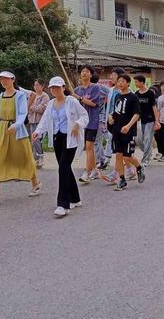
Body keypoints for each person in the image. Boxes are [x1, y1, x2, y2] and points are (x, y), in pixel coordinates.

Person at [0, 71, 41, 208]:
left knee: (25, 158)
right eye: (1, 79)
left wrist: (16, 125)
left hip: (17, 131)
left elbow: (22, 113)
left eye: (6, 79)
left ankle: (35, 184)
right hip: (2, 131)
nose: (3, 81)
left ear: (13, 79)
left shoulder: (20, 95)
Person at [32, 77, 89, 217]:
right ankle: (75, 198)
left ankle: (63, 204)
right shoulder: (51, 104)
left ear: (63, 87)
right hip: (58, 139)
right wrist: (38, 131)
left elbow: (84, 116)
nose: (55, 90)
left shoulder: (72, 101)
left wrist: (77, 124)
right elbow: (45, 120)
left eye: (58, 87)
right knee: (65, 168)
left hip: (70, 139)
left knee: (63, 168)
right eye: (52, 88)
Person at [108, 74, 146, 191]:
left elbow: (137, 114)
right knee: (118, 155)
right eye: (118, 81)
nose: (120, 83)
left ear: (128, 83)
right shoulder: (117, 96)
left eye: (123, 81)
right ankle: (122, 180)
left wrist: (128, 126)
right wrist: (111, 117)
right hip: (117, 130)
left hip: (128, 131)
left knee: (127, 156)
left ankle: (139, 167)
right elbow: (117, 111)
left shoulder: (133, 97)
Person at [73, 65, 101, 183]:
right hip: (81, 122)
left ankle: (87, 172)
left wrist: (79, 98)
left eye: (87, 71)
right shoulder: (77, 90)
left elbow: (93, 104)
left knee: (89, 147)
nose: (84, 73)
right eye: (82, 71)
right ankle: (94, 169)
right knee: (88, 147)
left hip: (92, 121)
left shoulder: (95, 88)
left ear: (91, 74)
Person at [134, 75, 160, 166]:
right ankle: (148, 152)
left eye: (137, 82)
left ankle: (145, 160)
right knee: (139, 139)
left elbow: (154, 107)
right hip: (140, 120)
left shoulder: (150, 93)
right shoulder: (136, 94)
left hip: (150, 119)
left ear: (142, 82)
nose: (135, 83)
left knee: (148, 139)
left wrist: (157, 121)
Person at [27, 79, 49, 169]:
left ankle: (40, 156)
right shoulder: (32, 96)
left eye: (38, 85)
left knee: (37, 139)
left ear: (42, 86)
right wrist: (31, 109)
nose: (36, 87)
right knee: (33, 140)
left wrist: (33, 108)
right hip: (32, 120)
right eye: (35, 85)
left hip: (41, 121)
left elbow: (43, 108)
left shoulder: (45, 96)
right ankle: (35, 159)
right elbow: (28, 107)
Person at [91, 73, 110, 170]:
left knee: (96, 141)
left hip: (96, 117)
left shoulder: (90, 89)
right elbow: (110, 95)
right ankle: (102, 160)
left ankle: (100, 161)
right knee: (97, 140)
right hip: (101, 117)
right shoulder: (104, 88)